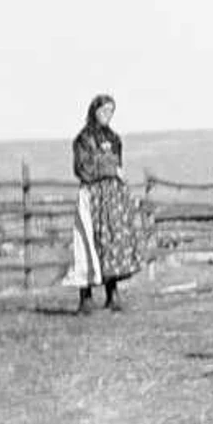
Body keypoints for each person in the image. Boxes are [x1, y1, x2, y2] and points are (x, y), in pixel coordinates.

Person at [62, 95, 148, 314]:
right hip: (92, 195)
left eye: (111, 111)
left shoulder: (115, 139)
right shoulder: (83, 139)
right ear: (94, 111)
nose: (107, 115)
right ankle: (85, 297)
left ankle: (112, 293)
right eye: (103, 111)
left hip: (112, 198)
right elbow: (84, 168)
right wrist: (109, 168)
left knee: (111, 243)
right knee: (88, 242)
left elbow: (119, 166)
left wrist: (115, 175)